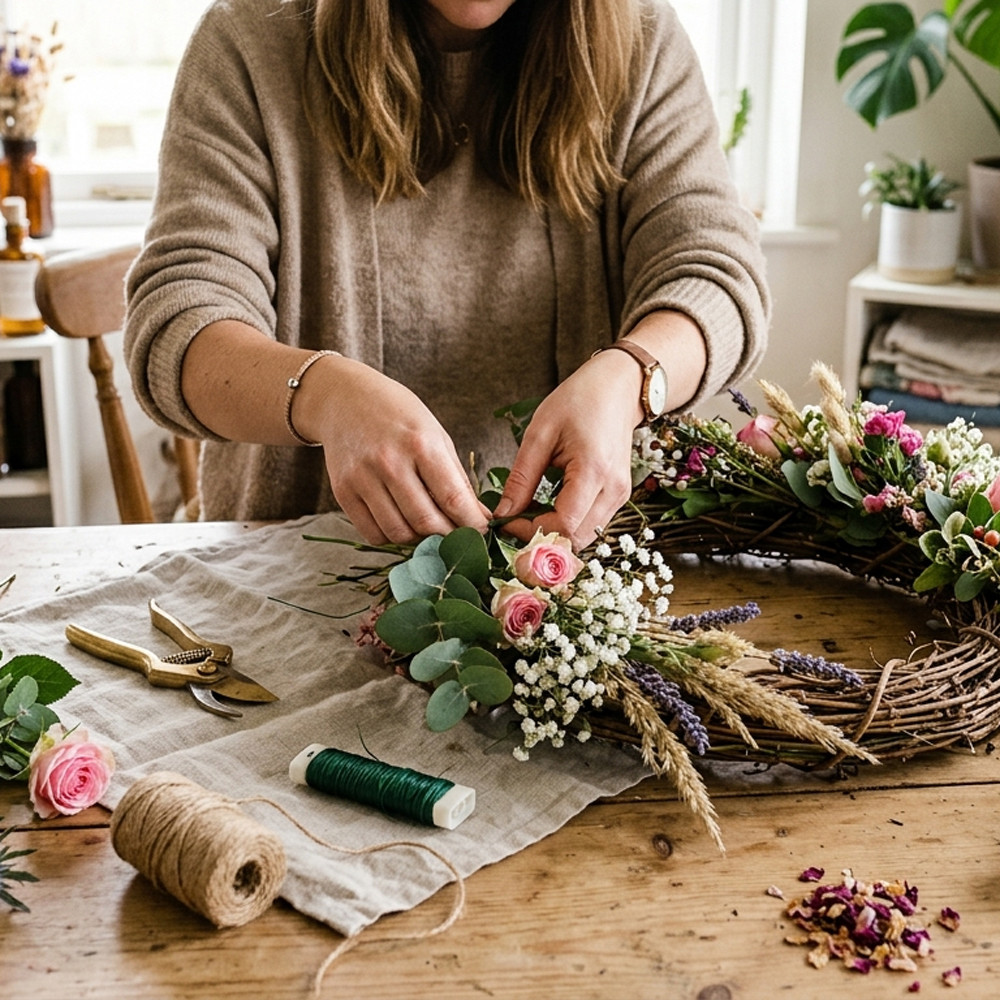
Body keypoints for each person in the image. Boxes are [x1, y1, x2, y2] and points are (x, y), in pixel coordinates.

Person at [124, 0, 770, 550]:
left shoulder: (641, 41)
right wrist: (326, 397)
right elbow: (179, 328)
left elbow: (717, 274)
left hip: (575, 580)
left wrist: (631, 376)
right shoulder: (248, 41)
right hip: (291, 569)